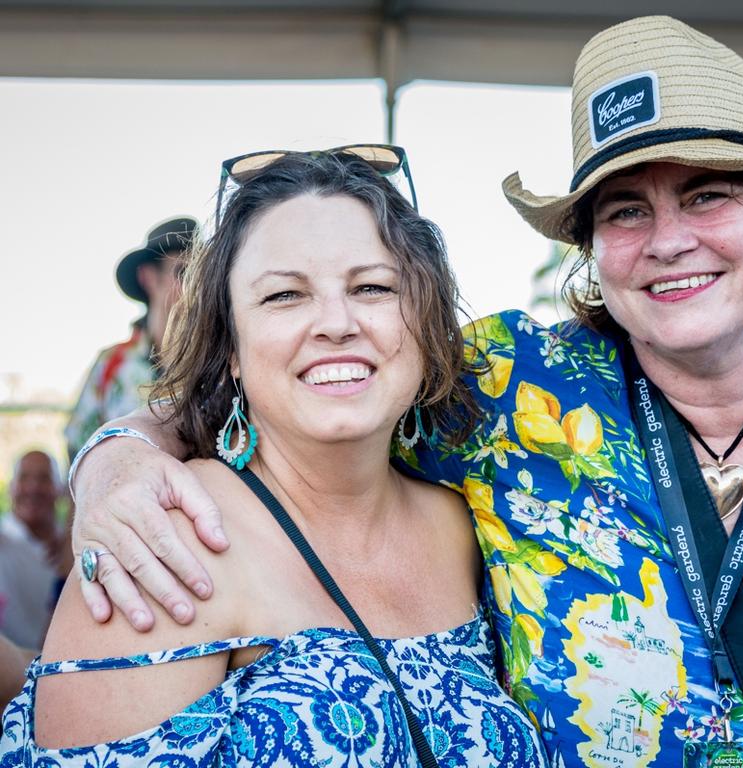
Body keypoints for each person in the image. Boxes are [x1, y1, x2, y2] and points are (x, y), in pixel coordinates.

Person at [63, 16, 743, 767]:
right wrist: (114, 460)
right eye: (627, 209)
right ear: (591, 249)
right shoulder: (511, 389)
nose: (668, 239)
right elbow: (287, 391)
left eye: (710, 193)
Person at [0, 150, 545, 766]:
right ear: (230, 346)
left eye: (372, 287)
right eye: (285, 296)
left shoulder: (470, 522)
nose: (336, 323)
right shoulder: (161, 542)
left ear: (423, 319)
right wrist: (112, 455)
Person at [64, 216, 197, 460]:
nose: (196, 286)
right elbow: (78, 449)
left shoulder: (223, 361)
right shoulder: (112, 364)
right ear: (147, 277)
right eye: (184, 272)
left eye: (204, 274)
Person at [0, 450, 67, 648]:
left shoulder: (73, 545)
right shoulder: (4, 540)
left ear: (60, 489)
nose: (33, 487)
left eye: (44, 478)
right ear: (12, 487)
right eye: (24, 477)